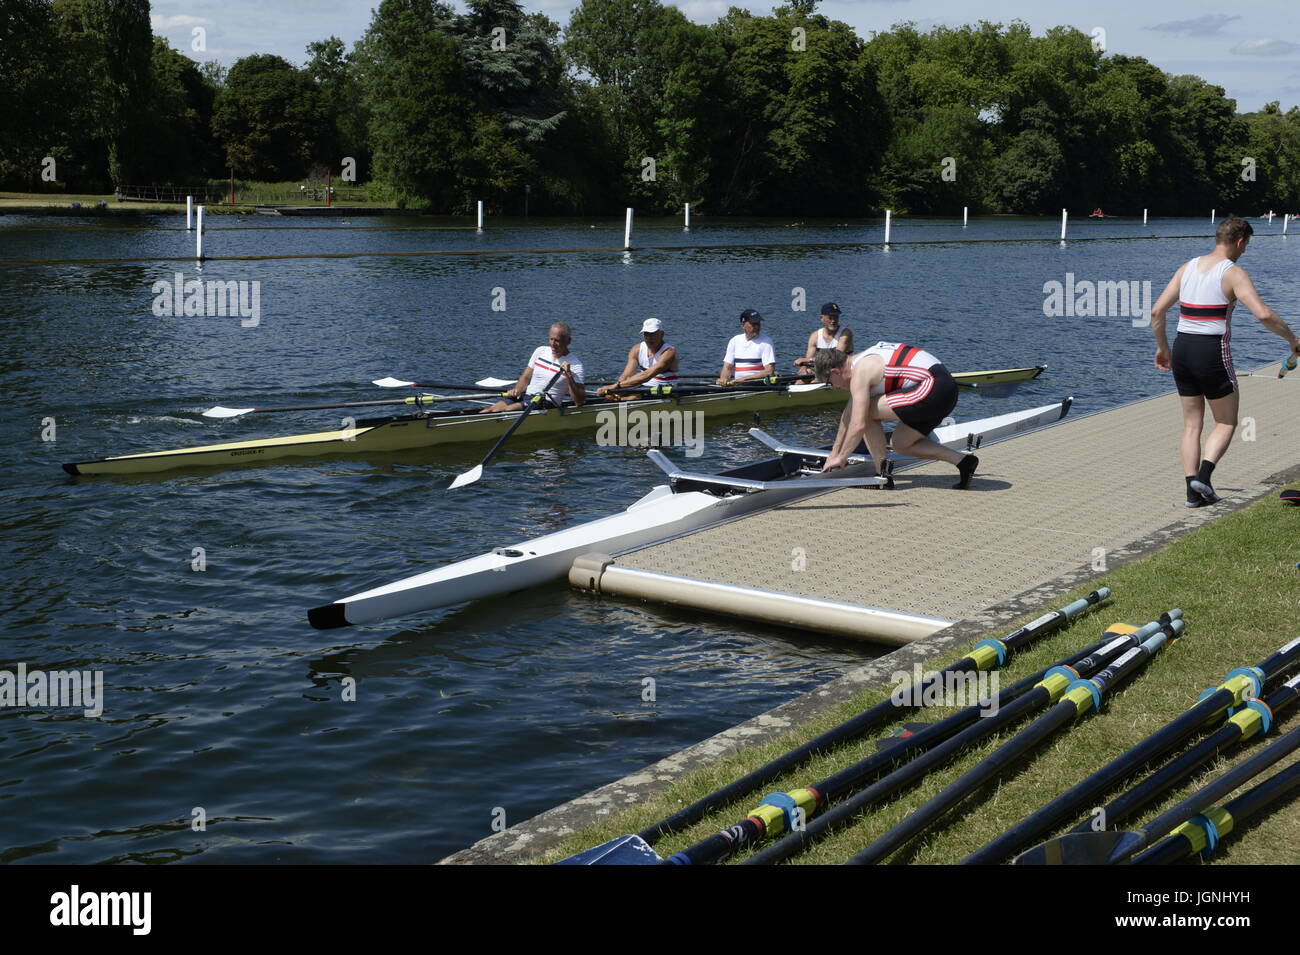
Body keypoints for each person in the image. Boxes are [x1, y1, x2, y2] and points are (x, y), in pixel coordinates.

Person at [1150, 215, 1300, 506]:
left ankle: (1192, 494)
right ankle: (1203, 478)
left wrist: (1162, 349)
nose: (1244, 251)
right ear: (1240, 241)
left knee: (1192, 425)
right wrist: (1292, 339)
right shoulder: (1232, 273)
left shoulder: (1187, 268)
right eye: (1246, 246)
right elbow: (1263, 314)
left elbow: (1157, 312)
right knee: (1226, 421)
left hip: (1182, 349)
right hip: (1211, 350)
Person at [815, 343, 976, 489]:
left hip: (933, 386)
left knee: (866, 413)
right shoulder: (861, 361)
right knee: (901, 443)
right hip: (947, 390)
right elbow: (847, 415)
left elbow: (858, 425)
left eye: (830, 383)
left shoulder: (860, 372)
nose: (834, 387)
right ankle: (963, 461)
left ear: (835, 371)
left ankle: (882, 476)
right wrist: (834, 453)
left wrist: (842, 458)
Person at [480, 322, 586, 413]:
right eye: (551, 339)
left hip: (547, 402)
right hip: (527, 396)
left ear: (568, 341)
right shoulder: (540, 351)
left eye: (557, 341)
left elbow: (579, 401)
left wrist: (569, 375)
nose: (553, 344)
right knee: (491, 409)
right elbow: (525, 377)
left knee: (509, 409)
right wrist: (517, 390)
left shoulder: (575, 365)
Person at [597, 319, 678, 395]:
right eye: (646, 334)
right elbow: (627, 375)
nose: (649, 338)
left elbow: (646, 376)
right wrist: (615, 390)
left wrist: (616, 386)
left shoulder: (669, 352)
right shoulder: (636, 349)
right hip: (643, 386)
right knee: (610, 396)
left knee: (631, 397)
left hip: (664, 388)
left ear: (662, 334)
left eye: (653, 334)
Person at [793, 303, 853, 377]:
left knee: (814, 381)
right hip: (821, 372)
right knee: (801, 380)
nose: (833, 321)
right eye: (830, 317)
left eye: (836, 317)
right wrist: (804, 367)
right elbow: (809, 358)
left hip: (841, 373)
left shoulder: (845, 334)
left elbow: (836, 357)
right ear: (821, 318)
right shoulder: (815, 336)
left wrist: (806, 360)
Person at [717, 309, 776, 385]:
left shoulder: (766, 342)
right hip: (737, 384)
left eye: (758, 323)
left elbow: (769, 371)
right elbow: (727, 367)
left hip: (758, 385)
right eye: (753, 324)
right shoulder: (734, 341)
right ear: (742, 325)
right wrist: (723, 378)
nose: (757, 326)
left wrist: (744, 379)